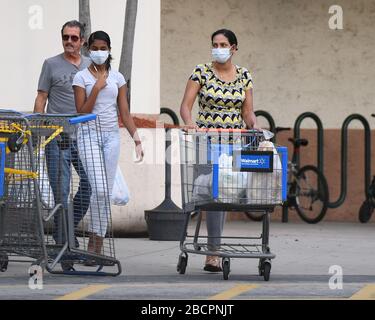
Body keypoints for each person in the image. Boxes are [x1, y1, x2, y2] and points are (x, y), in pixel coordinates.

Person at [180, 29, 260, 272]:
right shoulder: (201, 71)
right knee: (213, 192)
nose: (218, 48)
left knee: (225, 192)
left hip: (233, 141)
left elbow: (247, 111)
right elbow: (185, 106)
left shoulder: (244, 75)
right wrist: (190, 123)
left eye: (223, 44)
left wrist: (254, 126)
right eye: (215, 44)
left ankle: (213, 249)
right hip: (207, 140)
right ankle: (213, 252)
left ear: (234, 48)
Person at [73, 30, 143, 258]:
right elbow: (82, 111)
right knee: (100, 189)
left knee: (104, 193)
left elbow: (124, 111)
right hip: (88, 135)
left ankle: (97, 243)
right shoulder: (81, 77)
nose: (99, 52)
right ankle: (94, 243)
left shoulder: (118, 77)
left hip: (111, 137)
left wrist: (136, 138)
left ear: (109, 50)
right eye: (95, 48)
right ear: (88, 49)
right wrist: (96, 88)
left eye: (103, 49)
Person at [34, 20, 92, 247]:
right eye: (65, 37)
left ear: (82, 41)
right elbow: (41, 99)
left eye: (74, 38)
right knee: (62, 191)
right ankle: (66, 239)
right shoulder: (51, 64)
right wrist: (40, 131)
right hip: (57, 137)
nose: (69, 41)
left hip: (86, 138)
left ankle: (65, 230)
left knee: (90, 184)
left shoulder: (91, 65)